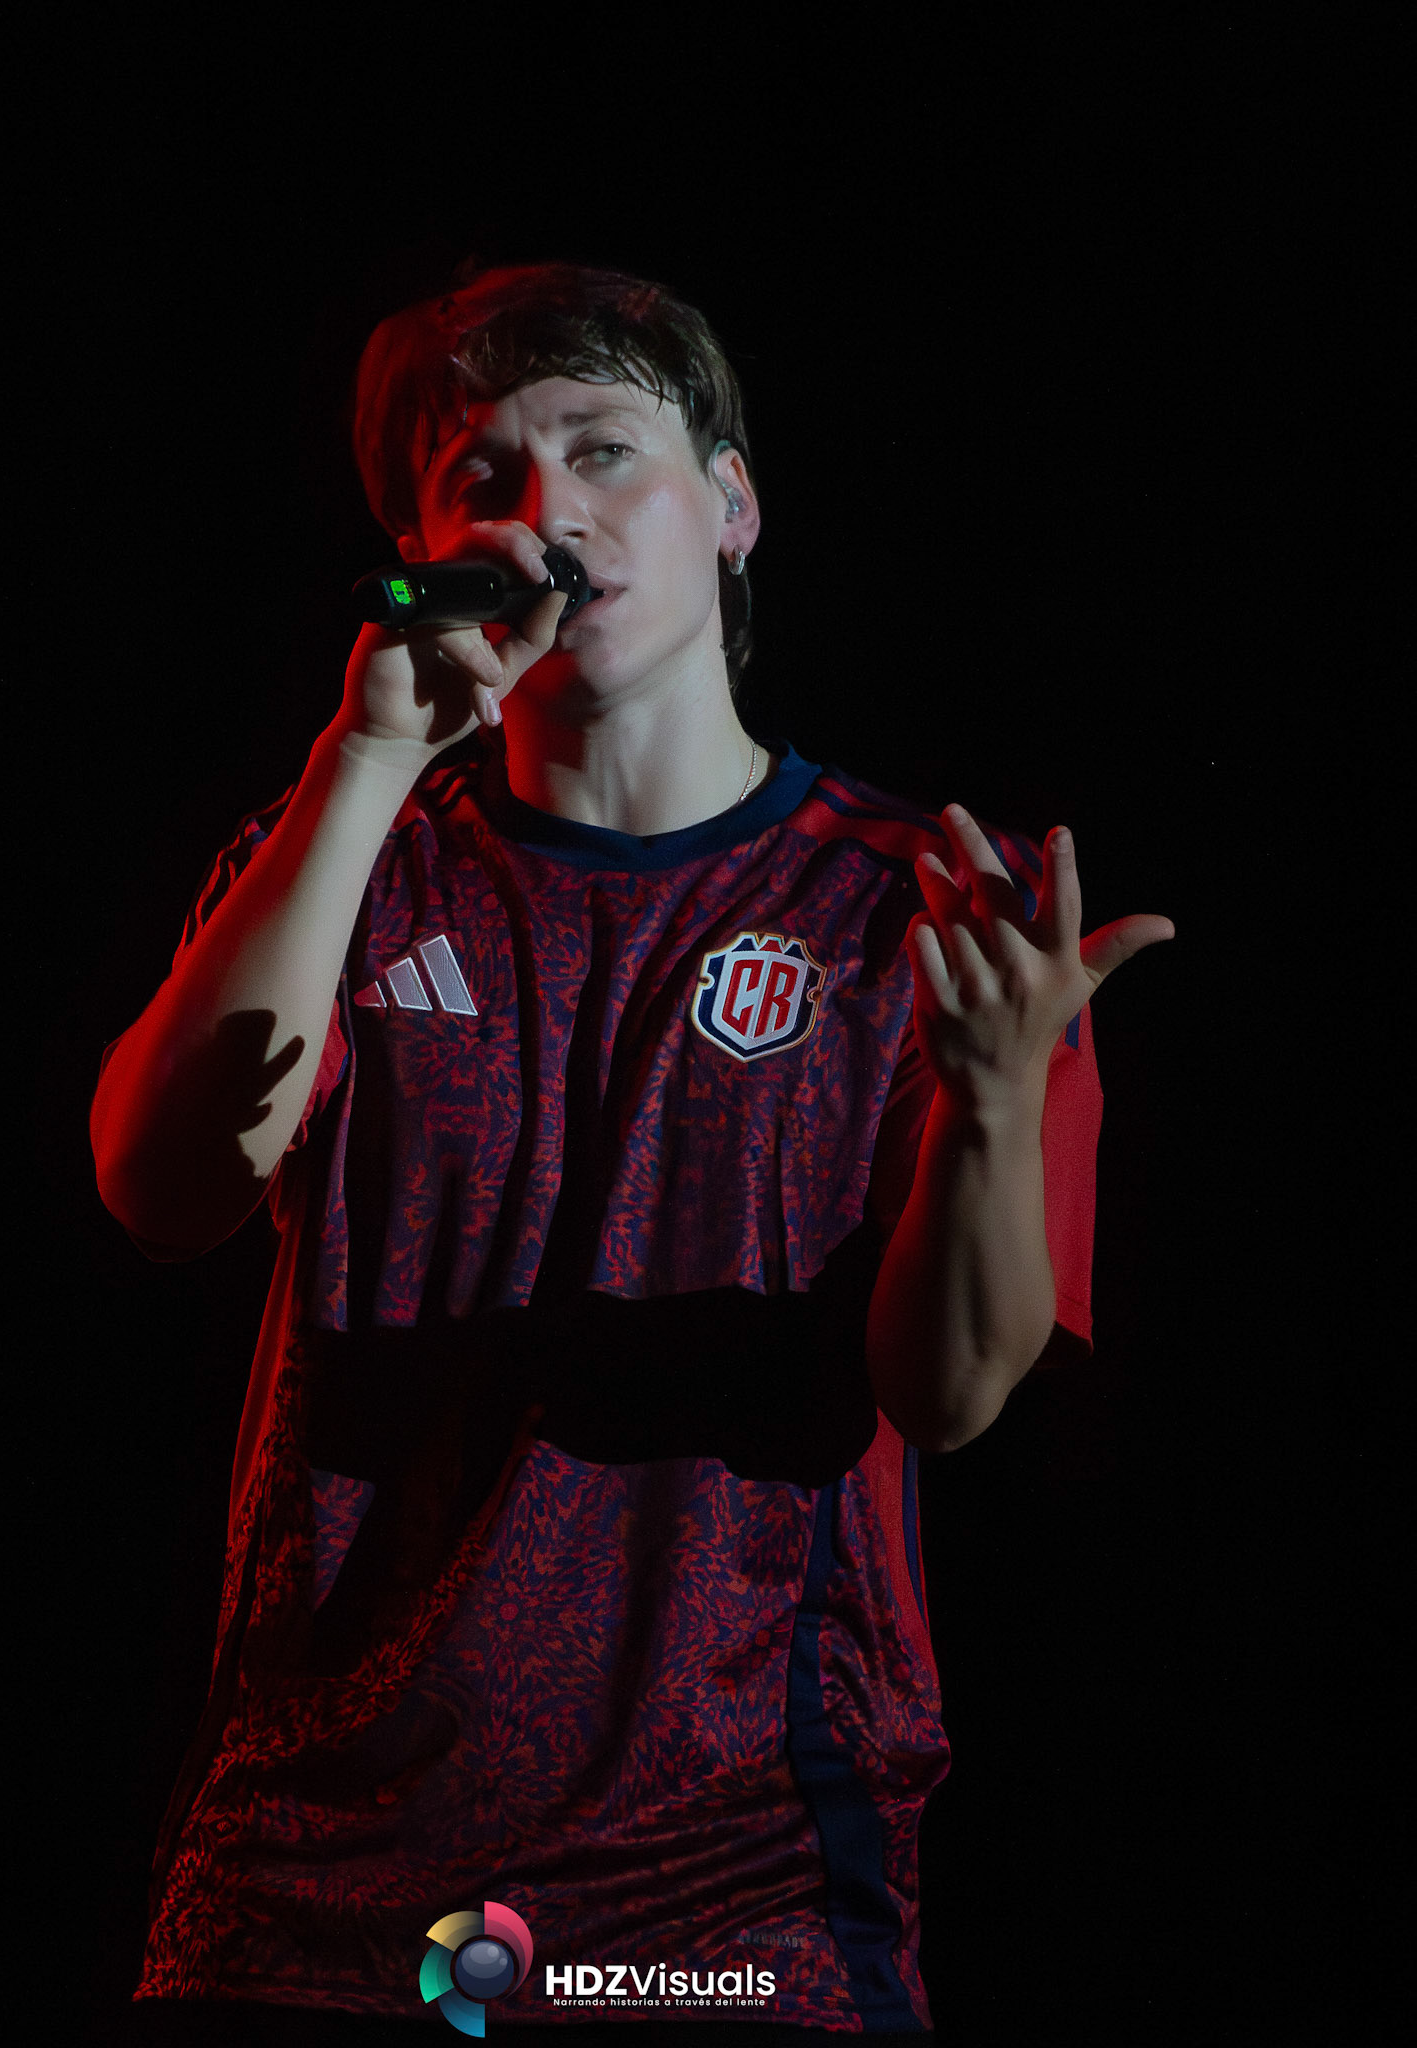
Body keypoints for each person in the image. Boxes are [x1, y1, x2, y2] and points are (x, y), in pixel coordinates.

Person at [91, 263, 1172, 2039]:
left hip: (730, 1892)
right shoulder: (349, 858)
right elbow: (159, 1187)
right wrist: (364, 763)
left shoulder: (913, 906)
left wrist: (991, 1099)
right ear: (426, 554)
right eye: (483, 479)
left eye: (603, 450)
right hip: (302, 1893)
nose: (547, 515)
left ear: (731, 506)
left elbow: (952, 1392)